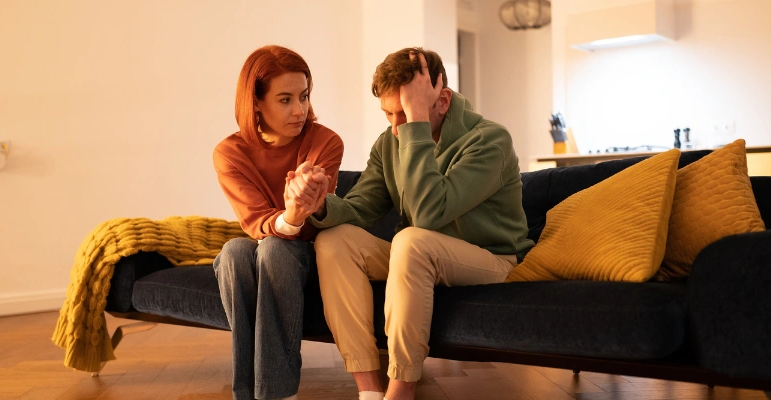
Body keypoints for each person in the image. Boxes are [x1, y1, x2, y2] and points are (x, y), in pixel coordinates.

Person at [287, 47, 534, 400]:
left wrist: (417, 124)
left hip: (490, 259)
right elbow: (360, 208)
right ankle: (370, 391)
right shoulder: (389, 142)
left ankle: (401, 391)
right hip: (420, 256)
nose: (395, 127)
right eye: (388, 114)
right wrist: (320, 203)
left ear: (443, 100)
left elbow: (430, 213)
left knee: (411, 239)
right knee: (335, 240)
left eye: (404, 113)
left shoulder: (489, 140)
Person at [212, 45, 343, 400]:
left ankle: (277, 393)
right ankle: (248, 393)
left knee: (272, 248)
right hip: (261, 246)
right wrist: (289, 215)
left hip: (305, 255)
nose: (300, 110)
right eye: (285, 99)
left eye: (303, 96)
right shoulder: (230, 153)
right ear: (256, 102)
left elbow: (316, 223)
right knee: (235, 251)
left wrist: (299, 214)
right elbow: (254, 221)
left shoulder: (325, 142)